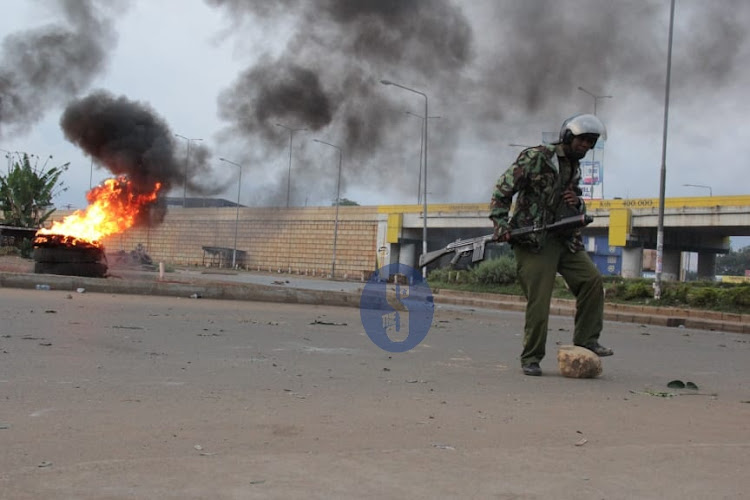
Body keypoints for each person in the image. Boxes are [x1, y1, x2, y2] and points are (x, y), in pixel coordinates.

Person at [489, 113, 613, 376]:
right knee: (540, 300)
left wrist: (576, 202)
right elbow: (502, 190)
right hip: (533, 241)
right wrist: (501, 225)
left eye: (591, 143)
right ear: (568, 136)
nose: (586, 147)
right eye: (582, 140)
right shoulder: (537, 158)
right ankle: (531, 357)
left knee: (591, 281)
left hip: (564, 238)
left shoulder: (573, 167)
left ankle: (587, 340)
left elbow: (574, 200)